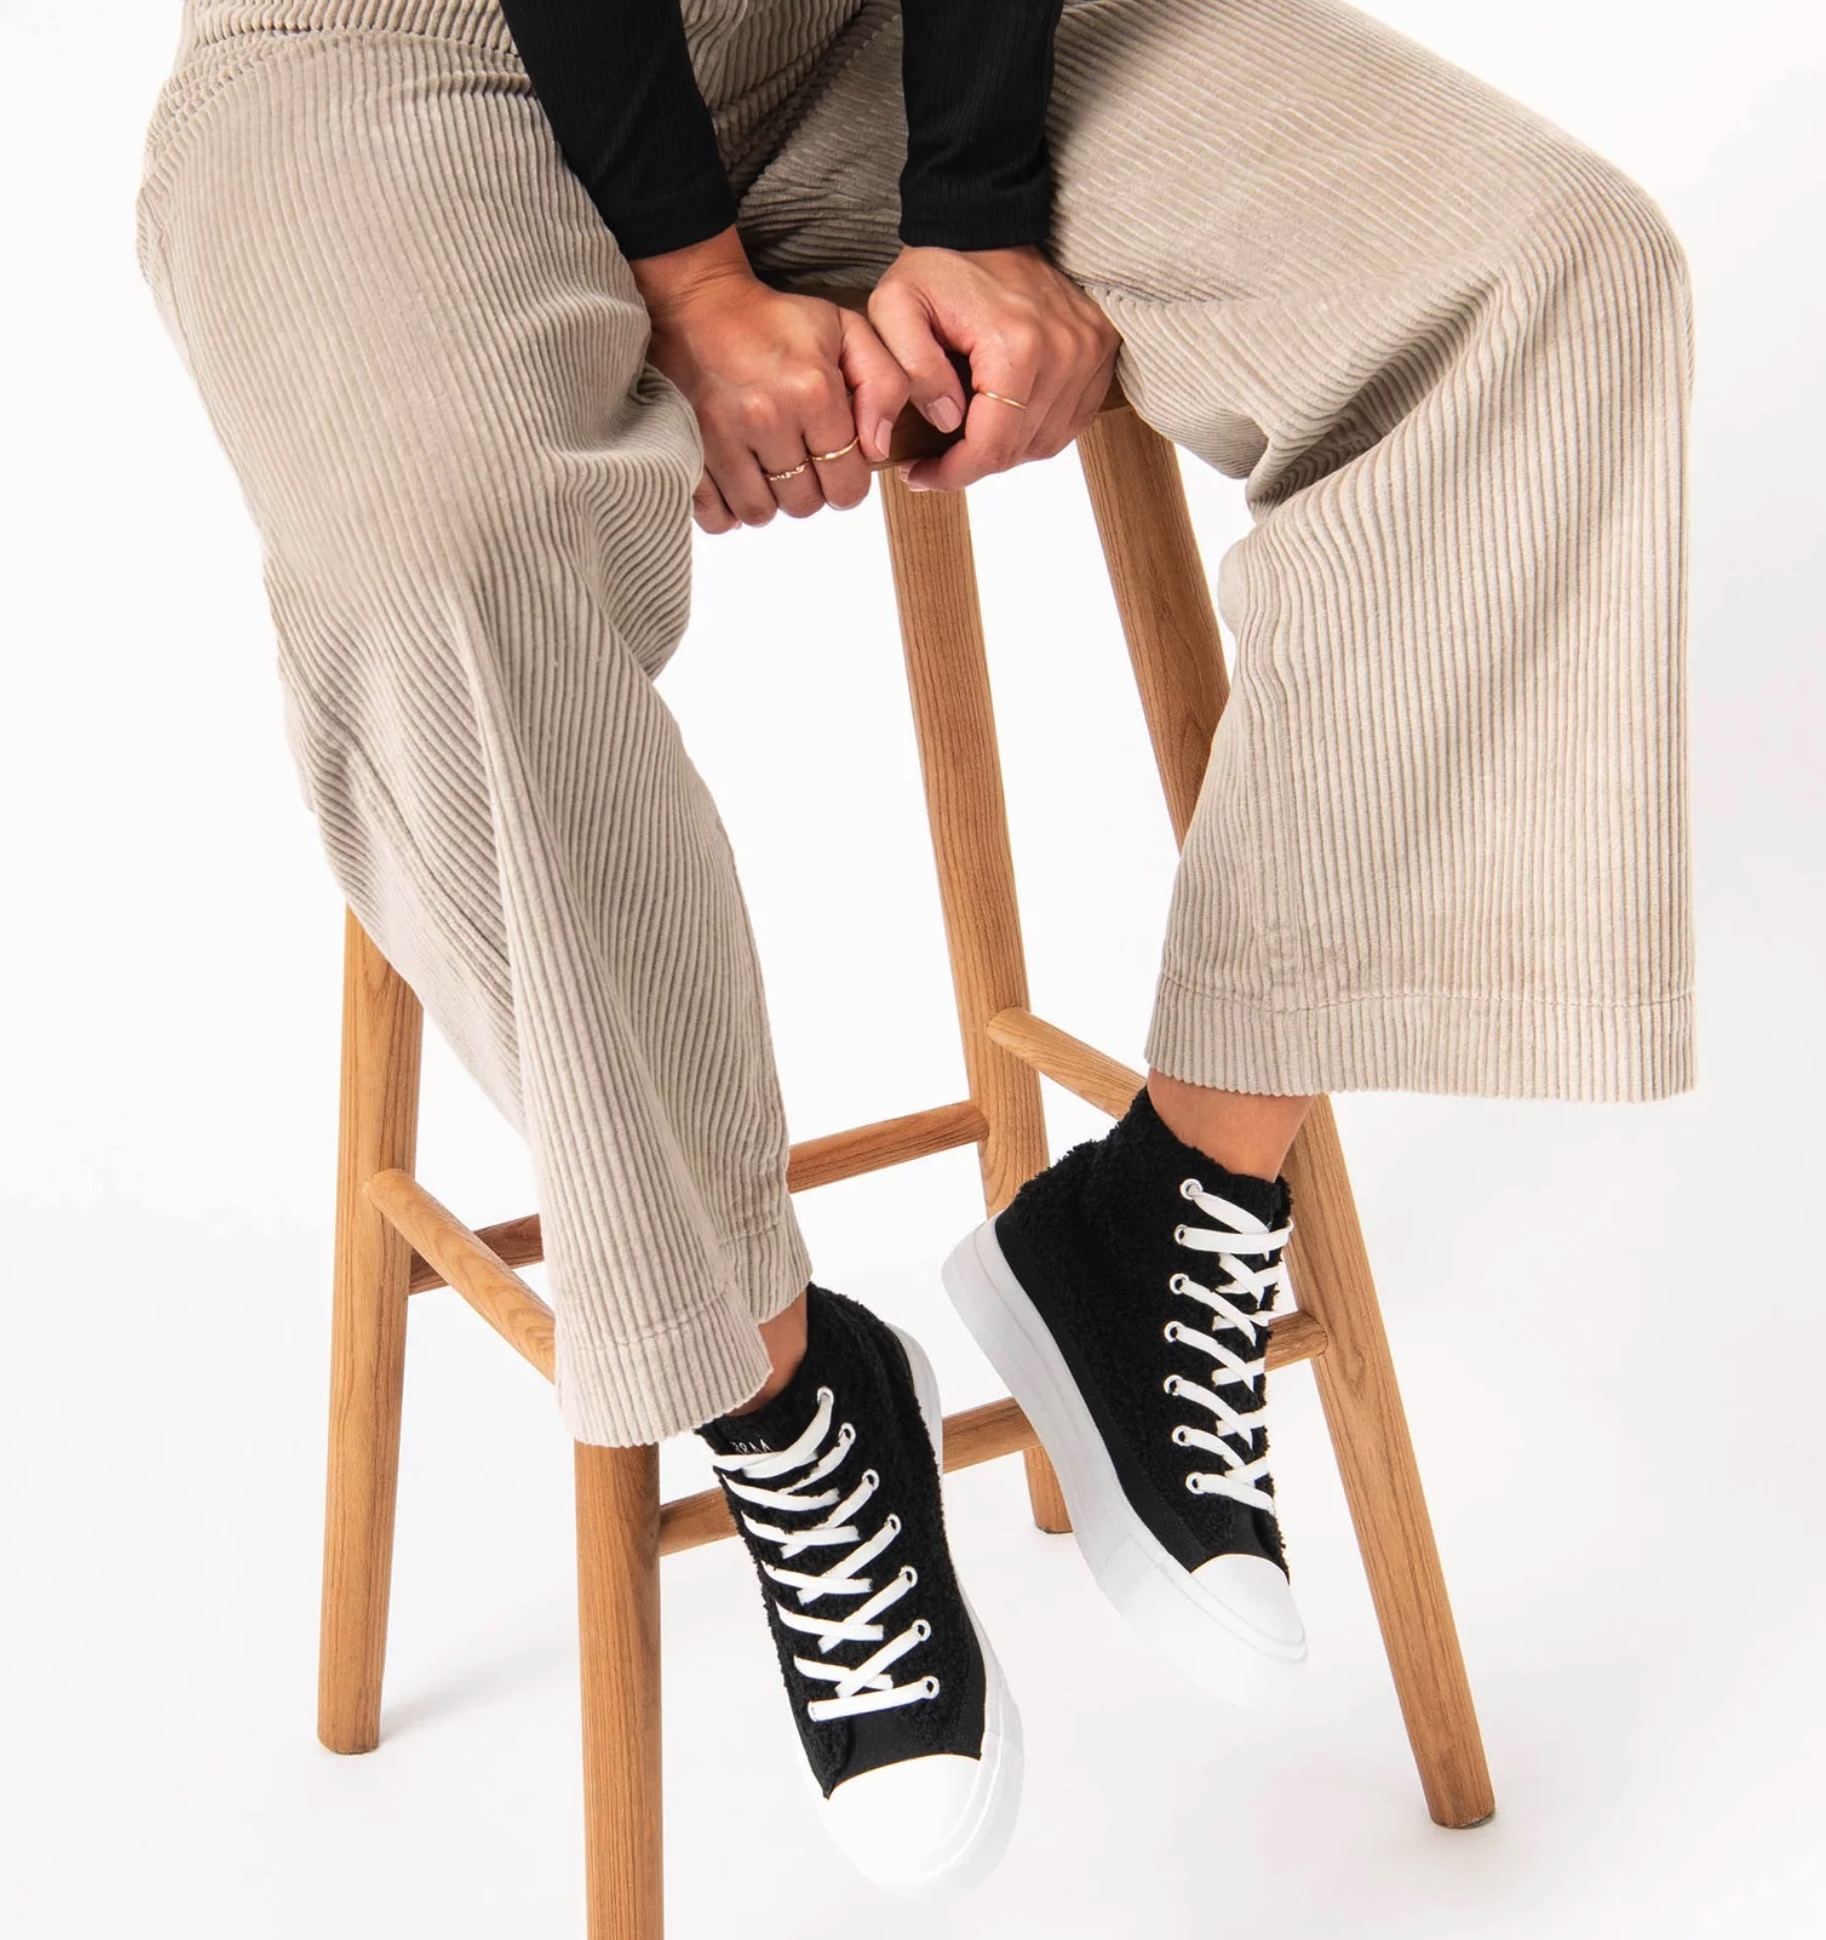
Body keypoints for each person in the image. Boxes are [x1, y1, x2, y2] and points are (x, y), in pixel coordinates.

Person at [131, 0, 1694, 1899]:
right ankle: (780, 1394)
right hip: (403, 62)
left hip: (857, 30)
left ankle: (1170, 1205)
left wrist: (978, 203)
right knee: (434, 555)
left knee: (1543, 270)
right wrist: (691, 274)